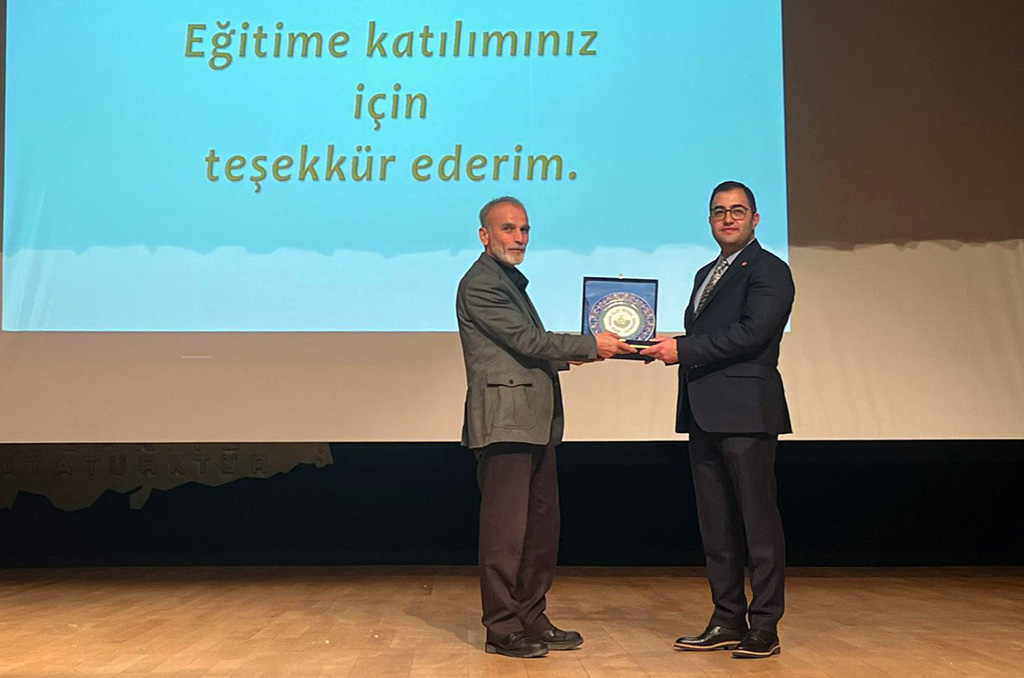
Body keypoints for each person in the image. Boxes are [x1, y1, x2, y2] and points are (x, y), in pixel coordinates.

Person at [456, 196, 634, 658]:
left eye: (524, 230)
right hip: (505, 423)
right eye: (508, 229)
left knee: (539, 529)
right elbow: (527, 341)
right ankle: (502, 628)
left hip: (533, 423)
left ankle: (531, 617)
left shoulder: (508, 282)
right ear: (484, 235)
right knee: (505, 534)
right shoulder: (481, 283)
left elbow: (529, 348)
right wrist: (591, 345)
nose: (518, 238)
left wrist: (588, 350)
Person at [641, 181, 794, 659]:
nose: (728, 218)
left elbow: (752, 334)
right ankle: (727, 618)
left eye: (737, 211)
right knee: (717, 527)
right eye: (719, 211)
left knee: (758, 525)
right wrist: (662, 343)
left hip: (747, 413)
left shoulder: (770, 270)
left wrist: (683, 349)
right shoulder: (705, 273)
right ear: (709, 220)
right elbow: (709, 333)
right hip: (704, 413)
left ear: (755, 219)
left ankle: (764, 626)